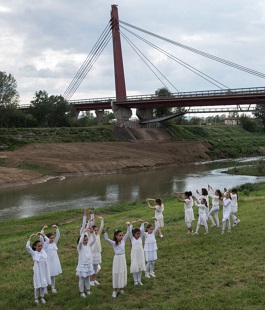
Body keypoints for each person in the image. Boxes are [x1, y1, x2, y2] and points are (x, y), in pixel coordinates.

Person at [104, 222, 130, 298]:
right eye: (120, 235)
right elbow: (106, 239)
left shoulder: (123, 241)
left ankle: (121, 288)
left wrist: (128, 226)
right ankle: (115, 290)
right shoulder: (114, 243)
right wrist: (105, 231)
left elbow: (128, 232)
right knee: (116, 273)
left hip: (123, 258)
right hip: (117, 259)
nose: (121, 237)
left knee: (122, 272)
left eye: (122, 235)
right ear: (116, 236)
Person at [26, 232, 51, 304]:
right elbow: (27, 247)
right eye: (39, 246)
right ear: (35, 246)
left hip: (44, 270)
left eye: (41, 246)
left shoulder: (43, 251)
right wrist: (30, 237)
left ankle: (42, 297)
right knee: (37, 284)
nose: (40, 247)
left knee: (43, 284)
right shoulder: (34, 253)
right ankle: (36, 298)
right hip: (38, 271)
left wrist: (42, 234)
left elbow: (48, 241)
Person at [40, 225, 62, 294]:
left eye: (53, 238)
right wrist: (43, 229)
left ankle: (53, 287)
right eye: (51, 238)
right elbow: (41, 237)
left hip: (54, 261)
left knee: (53, 274)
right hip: (47, 262)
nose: (52, 239)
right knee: (47, 275)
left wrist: (56, 228)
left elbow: (58, 235)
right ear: (47, 238)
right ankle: (45, 289)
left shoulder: (54, 243)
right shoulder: (44, 244)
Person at [76, 226, 96, 298]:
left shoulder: (88, 245)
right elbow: (81, 241)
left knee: (87, 278)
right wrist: (83, 232)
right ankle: (81, 292)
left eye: (87, 240)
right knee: (81, 279)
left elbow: (94, 239)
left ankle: (88, 290)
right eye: (85, 240)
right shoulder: (80, 247)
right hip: (82, 265)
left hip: (88, 264)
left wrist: (92, 232)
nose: (86, 241)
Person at [129, 219, 146, 285]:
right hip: (134, 254)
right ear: (134, 234)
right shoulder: (132, 238)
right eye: (137, 234)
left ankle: (139, 280)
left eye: (139, 234)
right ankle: (135, 280)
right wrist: (131, 224)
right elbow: (129, 232)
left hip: (140, 254)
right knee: (135, 266)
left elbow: (142, 231)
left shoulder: (140, 238)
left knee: (140, 266)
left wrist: (142, 223)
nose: (138, 235)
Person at [89, 216, 104, 286]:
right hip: (92, 254)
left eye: (97, 230)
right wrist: (90, 220)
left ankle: (94, 279)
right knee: (91, 267)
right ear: (92, 230)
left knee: (96, 266)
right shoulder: (90, 235)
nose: (96, 231)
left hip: (97, 253)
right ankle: (90, 280)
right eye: (95, 230)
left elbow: (102, 226)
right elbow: (89, 227)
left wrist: (102, 220)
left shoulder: (98, 235)